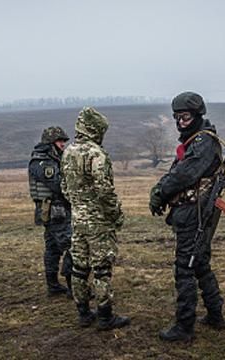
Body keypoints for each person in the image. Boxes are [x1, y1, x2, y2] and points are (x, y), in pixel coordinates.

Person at [149, 91, 225, 341]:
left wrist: (160, 192)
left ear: (197, 115)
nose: (181, 121)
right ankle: (215, 315)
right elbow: (178, 170)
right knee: (200, 263)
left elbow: (184, 175)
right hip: (192, 211)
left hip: (195, 213)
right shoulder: (195, 139)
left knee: (185, 267)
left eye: (186, 116)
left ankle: (184, 326)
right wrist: (161, 190)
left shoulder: (203, 141)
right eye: (177, 117)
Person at [61, 107, 130, 331]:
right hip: (98, 221)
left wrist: (78, 205)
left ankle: (83, 312)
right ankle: (105, 316)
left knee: (79, 267)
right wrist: (115, 214)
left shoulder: (68, 151)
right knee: (101, 268)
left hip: (77, 218)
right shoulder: (96, 153)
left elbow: (64, 186)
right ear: (96, 129)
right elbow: (104, 190)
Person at [29, 126, 74, 297]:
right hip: (56, 212)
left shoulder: (51, 159)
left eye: (64, 141)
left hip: (55, 211)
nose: (63, 144)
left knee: (53, 248)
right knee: (71, 246)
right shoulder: (43, 162)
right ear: (50, 142)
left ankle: (54, 286)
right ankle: (73, 287)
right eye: (60, 141)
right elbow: (58, 185)